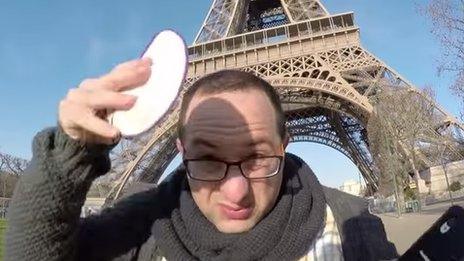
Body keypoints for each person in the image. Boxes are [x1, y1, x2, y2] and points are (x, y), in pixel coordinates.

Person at [5, 58, 397, 261]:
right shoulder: (140, 225)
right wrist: (68, 156)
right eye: (208, 160)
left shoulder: (353, 223)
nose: (236, 191)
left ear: (284, 146)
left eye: (258, 157)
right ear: (182, 150)